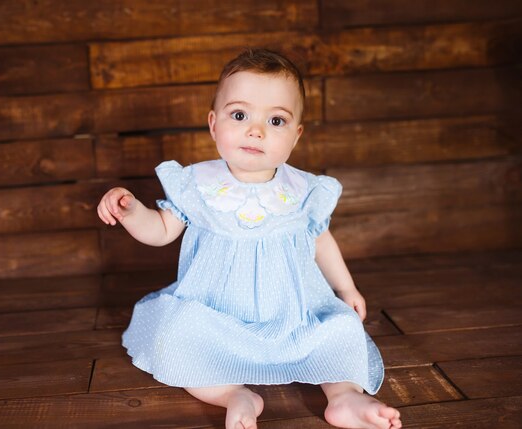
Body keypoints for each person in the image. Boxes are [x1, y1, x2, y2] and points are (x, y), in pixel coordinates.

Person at [97, 48, 402, 429]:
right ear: (213, 124)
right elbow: (160, 231)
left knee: (342, 330)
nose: (256, 130)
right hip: (216, 313)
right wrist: (131, 212)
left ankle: (344, 397)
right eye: (239, 115)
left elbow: (320, 240)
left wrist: (347, 288)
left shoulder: (302, 190)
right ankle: (233, 394)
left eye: (276, 120)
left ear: (296, 135)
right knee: (176, 335)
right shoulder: (198, 185)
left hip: (294, 314)